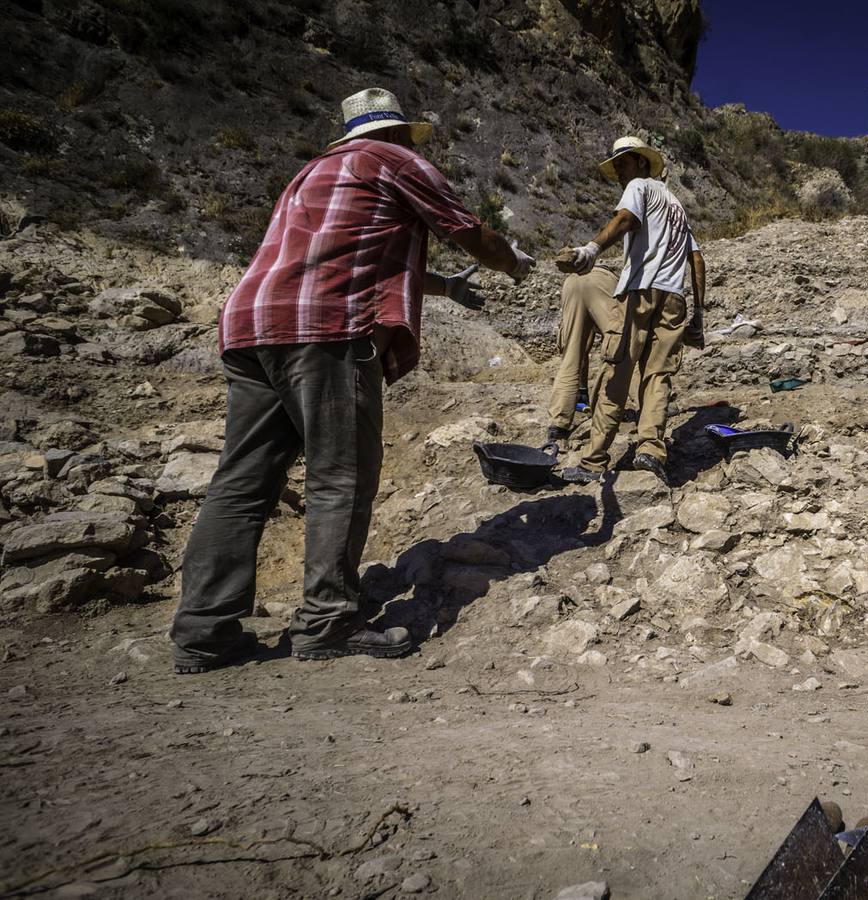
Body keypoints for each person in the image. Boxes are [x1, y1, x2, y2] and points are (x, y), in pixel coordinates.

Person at [170, 88, 535, 674]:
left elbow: (346, 252)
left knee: (240, 483)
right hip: (326, 330)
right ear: (393, 132)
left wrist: (444, 288)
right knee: (341, 476)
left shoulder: (310, 174)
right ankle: (328, 621)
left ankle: (203, 630)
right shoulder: (391, 160)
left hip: (251, 326)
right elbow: (468, 232)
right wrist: (514, 262)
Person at [558, 136, 705, 486]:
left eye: (623, 162)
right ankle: (650, 451)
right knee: (658, 375)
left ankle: (594, 461)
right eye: (616, 165)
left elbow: (626, 219)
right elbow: (696, 258)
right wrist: (699, 312)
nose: (619, 171)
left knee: (616, 371)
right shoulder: (676, 206)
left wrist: (592, 249)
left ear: (641, 162)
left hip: (639, 292)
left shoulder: (639, 187)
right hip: (673, 298)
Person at [545, 264, 638, 445]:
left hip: (572, 281)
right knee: (624, 347)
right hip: (601, 279)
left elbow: (582, 349)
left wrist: (581, 390)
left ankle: (559, 424)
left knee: (571, 354)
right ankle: (646, 406)